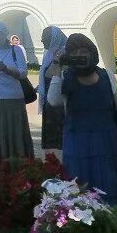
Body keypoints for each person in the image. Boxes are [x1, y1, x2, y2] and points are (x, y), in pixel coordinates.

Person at [47, 33, 117, 203]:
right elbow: (53, 100)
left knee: (109, 186)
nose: (80, 54)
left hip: (107, 141)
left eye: (83, 50)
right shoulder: (66, 77)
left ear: (91, 52)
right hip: (77, 143)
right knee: (79, 191)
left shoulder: (107, 75)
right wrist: (58, 65)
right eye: (74, 52)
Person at [0, 21, 35, 163]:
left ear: (5, 34)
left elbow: (23, 73)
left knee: (14, 131)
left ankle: (17, 160)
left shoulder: (16, 50)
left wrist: (5, 69)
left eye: (0, 33)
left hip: (13, 97)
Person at [39, 26, 68, 159]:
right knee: (51, 137)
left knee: (60, 137)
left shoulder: (65, 53)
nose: (41, 40)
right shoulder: (50, 53)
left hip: (60, 104)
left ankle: (61, 165)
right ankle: (52, 164)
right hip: (48, 103)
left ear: (54, 38)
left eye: (45, 37)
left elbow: (61, 76)